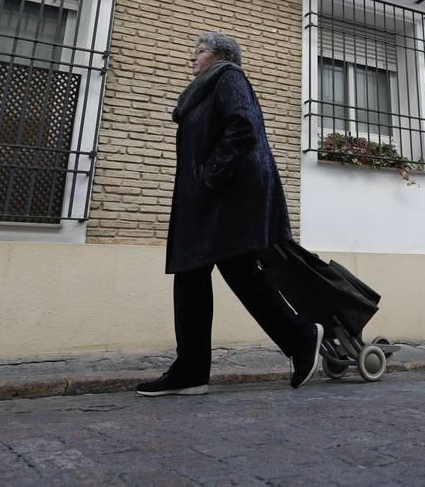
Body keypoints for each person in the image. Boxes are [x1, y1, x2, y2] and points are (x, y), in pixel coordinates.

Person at [136, 31, 323, 397]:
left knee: (203, 270)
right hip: (209, 199)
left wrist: (210, 175)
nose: (192, 58)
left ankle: (196, 368)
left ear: (220, 55)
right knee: (222, 272)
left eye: (199, 51)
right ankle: (294, 338)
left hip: (225, 197)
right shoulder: (204, 90)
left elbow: (243, 128)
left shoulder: (228, 77)